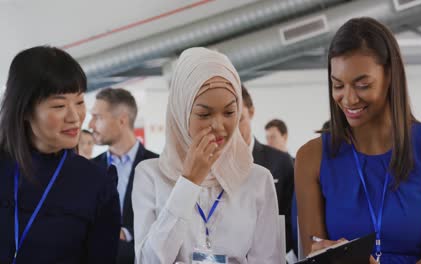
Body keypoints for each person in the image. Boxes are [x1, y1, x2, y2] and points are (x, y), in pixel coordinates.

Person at [295, 17, 421, 263]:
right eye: (338, 85)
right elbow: (315, 250)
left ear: (390, 77)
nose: (349, 99)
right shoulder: (311, 158)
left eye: (362, 85)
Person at [132, 47, 281, 264]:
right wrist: (188, 182)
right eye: (204, 114)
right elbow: (148, 260)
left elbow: (269, 260)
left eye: (230, 112)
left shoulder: (257, 179)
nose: (219, 126)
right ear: (181, 112)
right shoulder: (150, 175)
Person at [0, 46, 120, 263]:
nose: (75, 117)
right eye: (59, 105)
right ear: (24, 109)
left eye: (80, 102)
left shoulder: (96, 183)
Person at [89, 87, 158, 264]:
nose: (90, 125)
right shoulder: (90, 168)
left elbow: (165, 219)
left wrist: (124, 233)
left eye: (98, 117)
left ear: (122, 120)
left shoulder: (156, 165)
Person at [239, 85, 295, 255]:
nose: (232, 128)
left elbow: (290, 221)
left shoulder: (281, 161)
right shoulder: (210, 166)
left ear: (251, 112)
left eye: (239, 118)